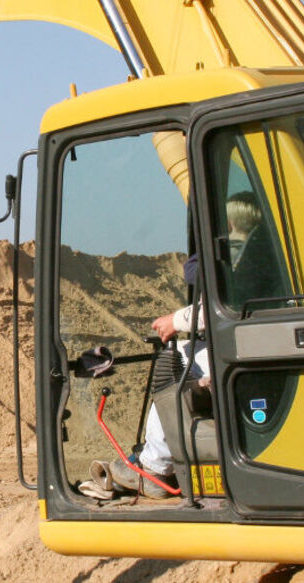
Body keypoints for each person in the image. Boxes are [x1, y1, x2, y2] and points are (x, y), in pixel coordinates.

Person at [109, 192, 263, 499]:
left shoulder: (235, 256)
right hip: (255, 344)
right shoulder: (261, 254)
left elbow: (219, 310)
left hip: (243, 349)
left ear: (229, 221)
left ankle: (154, 466)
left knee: (174, 362)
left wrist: (174, 322)